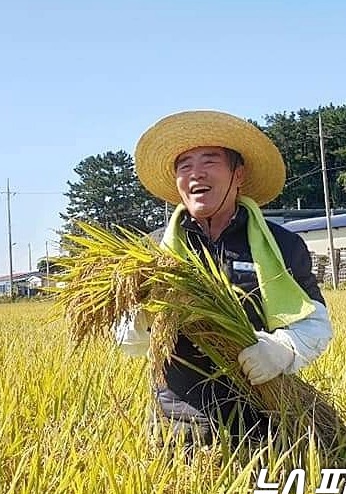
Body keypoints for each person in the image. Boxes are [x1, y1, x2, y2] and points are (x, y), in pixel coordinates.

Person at [116, 110, 333, 447]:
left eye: (209, 161)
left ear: (238, 173)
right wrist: (143, 318)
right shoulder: (152, 251)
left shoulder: (280, 245)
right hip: (177, 425)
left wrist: (281, 350)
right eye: (184, 165)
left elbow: (316, 323)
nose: (195, 173)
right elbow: (127, 342)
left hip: (263, 423)